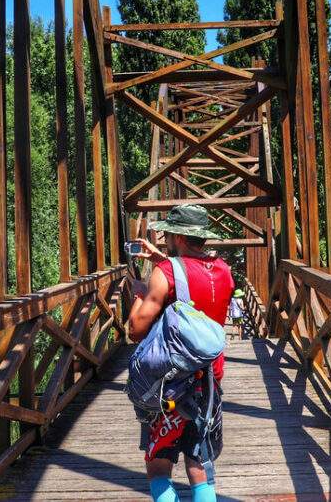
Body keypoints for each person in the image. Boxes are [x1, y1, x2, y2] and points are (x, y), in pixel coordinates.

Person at [127, 204, 233, 502]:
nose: (165, 239)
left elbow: (135, 329)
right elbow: (194, 279)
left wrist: (140, 292)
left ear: (182, 237)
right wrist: (165, 261)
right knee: (199, 466)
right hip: (209, 380)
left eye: (170, 234)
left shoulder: (164, 274)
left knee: (158, 466)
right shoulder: (224, 271)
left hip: (171, 385)